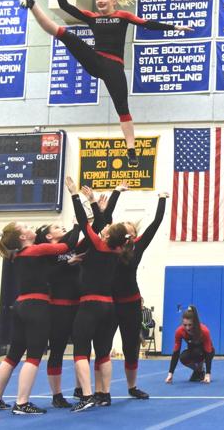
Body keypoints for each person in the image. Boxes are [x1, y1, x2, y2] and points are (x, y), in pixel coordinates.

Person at [15, 0, 193, 167]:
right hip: (95, 60)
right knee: (65, 34)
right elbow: (65, 6)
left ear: (113, 1)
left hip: (113, 67)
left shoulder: (123, 16)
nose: (99, 0)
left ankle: (131, 151)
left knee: (122, 108)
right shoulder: (92, 18)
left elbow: (148, 25)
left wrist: (175, 27)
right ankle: (31, 4)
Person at [0, 220, 79, 415]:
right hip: (37, 306)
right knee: (33, 356)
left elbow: (47, 271)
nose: (30, 227)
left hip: (20, 305)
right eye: (25, 227)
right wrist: (77, 226)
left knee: (12, 356)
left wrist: (66, 262)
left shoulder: (18, 255)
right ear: (23, 238)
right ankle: (21, 402)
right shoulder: (35, 250)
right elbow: (68, 246)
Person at [66, 176, 135, 412]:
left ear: (106, 236)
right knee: (103, 353)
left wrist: (76, 195)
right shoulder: (118, 250)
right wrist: (98, 200)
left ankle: (86, 396)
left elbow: (85, 222)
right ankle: (104, 394)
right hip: (110, 307)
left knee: (81, 351)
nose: (103, 227)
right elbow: (100, 222)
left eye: (105, 229)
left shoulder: (97, 244)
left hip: (90, 305)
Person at [111, 190, 168, 400]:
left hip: (130, 302)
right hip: (110, 302)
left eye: (129, 227)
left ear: (133, 234)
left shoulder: (138, 246)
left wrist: (162, 198)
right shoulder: (107, 247)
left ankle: (132, 386)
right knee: (104, 344)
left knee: (130, 346)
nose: (126, 229)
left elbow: (156, 222)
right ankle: (100, 389)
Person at [165, 306, 215, 384]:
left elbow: (208, 351)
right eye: (185, 325)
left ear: (195, 323)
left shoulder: (204, 331)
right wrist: (170, 373)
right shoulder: (179, 331)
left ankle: (201, 369)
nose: (187, 328)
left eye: (190, 325)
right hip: (193, 351)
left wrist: (208, 374)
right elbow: (176, 352)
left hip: (207, 352)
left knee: (198, 352)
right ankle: (199, 371)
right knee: (183, 357)